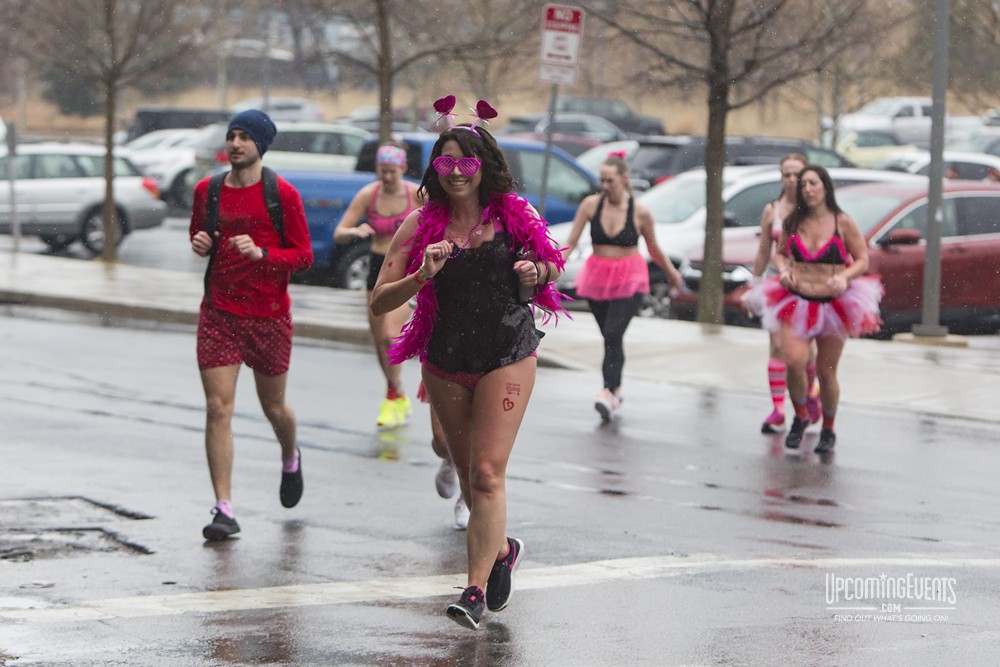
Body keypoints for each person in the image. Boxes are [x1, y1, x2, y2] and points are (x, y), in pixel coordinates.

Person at [370, 95, 567, 630]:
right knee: (464, 471)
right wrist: (421, 278)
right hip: (445, 358)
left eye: (467, 162)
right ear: (434, 167)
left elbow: (553, 266)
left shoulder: (515, 215)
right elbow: (379, 300)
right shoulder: (418, 226)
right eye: (445, 162)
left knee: (485, 473)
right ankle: (501, 549)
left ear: (484, 167)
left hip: (507, 352)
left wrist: (538, 275)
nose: (456, 173)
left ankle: (475, 590)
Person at [189, 109, 313, 540]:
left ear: (261, 145)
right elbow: (201, 238)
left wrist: (264, 254)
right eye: (232, 136)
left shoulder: (283, 194)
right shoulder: (209, 190)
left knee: (273, 407)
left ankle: (290, 455)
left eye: (244, 137)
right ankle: (224, 508)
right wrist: (201, 244)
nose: (236, 144)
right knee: (216, 407)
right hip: (219, 312)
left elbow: (303, 256)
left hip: (269, 316)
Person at [749, 165, 882, 454]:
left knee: (826, 371)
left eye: (813, 183)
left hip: (833, 303)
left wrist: (844, 277)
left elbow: (862, 260)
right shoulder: (792, 221)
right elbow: (781, 253)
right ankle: (800, 415)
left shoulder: (842, 222)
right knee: (794, 361)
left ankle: (829, 428)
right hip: (795, 299)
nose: (807, 189)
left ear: (825, 187)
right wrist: (783, 270)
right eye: (803, 184)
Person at [561, 151, 683, 421]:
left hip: (629, 278)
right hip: (597, 275)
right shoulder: (591, 205)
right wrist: (554, 264)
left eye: (610, 181)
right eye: (602, 181)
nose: (605, 186)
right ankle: (615, 389)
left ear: (624, 178)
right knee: (608, 335)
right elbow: (571, 241)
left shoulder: (640, 211)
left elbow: (653, 247)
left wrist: (671, 272)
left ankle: (607, 391)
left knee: (614, 333)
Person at [334, 143, 424, 430]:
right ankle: (395, 393)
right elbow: (339, 232)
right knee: (377, 341)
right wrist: (354, 231)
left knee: (389, 335)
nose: (386, 177)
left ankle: (393, 393)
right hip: (377, 266)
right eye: (382, 171)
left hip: (406, 267)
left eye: (392, 172)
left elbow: (442, 216)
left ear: (403, 170)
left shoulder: (416, 194)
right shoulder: (368, 195)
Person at [749, 154, 822, 434]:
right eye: (786, 175)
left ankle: (811, 391)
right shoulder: (772, 210)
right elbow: (763, 249)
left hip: (808, 283)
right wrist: (755, 285)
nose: (792, 180)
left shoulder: (815, 210)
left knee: (805, 351)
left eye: (797, 175)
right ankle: (779, 409)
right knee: (777, 346)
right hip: (777, 282)